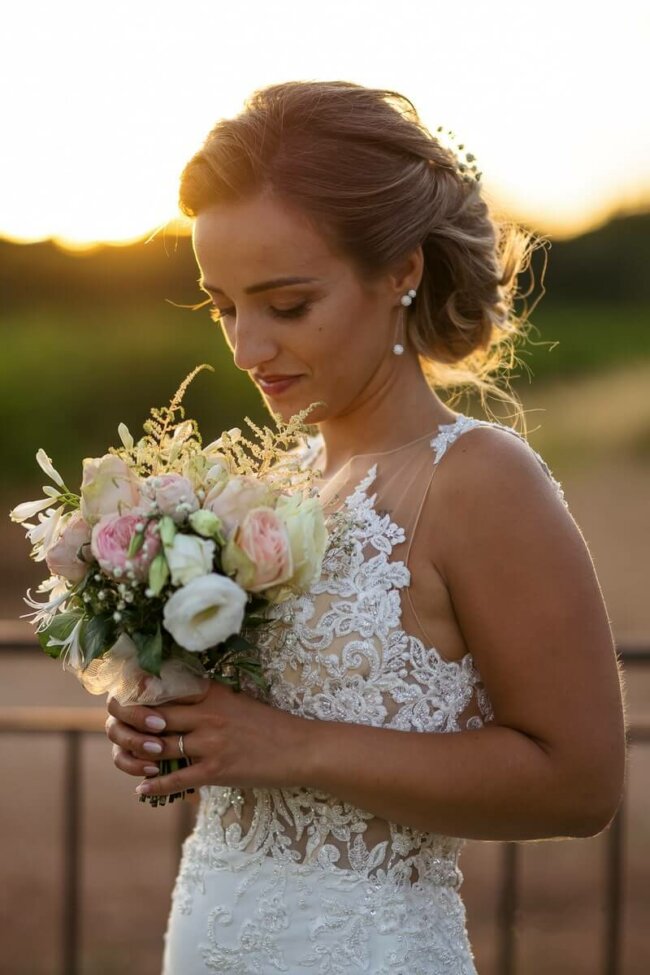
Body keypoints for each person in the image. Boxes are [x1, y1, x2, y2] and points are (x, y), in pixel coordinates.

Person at [105, 81, 627, 974]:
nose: (243, 347)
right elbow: (247, 729)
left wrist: (290, 746)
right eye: (222, 303)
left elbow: (580, 782)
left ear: (402, 271)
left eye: (287, 304)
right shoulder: (272, 490)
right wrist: (167, 712)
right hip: (210, 928)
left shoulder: (478, 480)